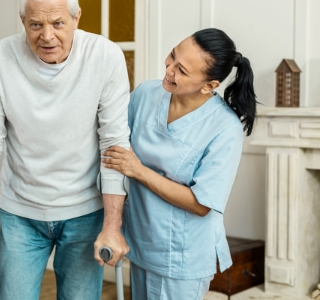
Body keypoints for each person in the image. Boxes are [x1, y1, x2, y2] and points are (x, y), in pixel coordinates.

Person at [0, 0, 131, 300]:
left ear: (76, 18)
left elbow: (113, 144)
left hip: (83, 210)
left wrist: (112, 224)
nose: (47, 36)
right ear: (22, 20)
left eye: (58, 24)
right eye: (36, 24)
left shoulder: (105, 57)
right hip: (20, 210)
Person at [102, 28, 257, 300]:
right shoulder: (146, 95)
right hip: (140, 239)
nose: (169, 69)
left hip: (182, 256)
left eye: (182, 71)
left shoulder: (224, 128)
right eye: (172, 55)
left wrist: (138, 170)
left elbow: (201, 204)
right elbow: (113, 146)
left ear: (209, 85)